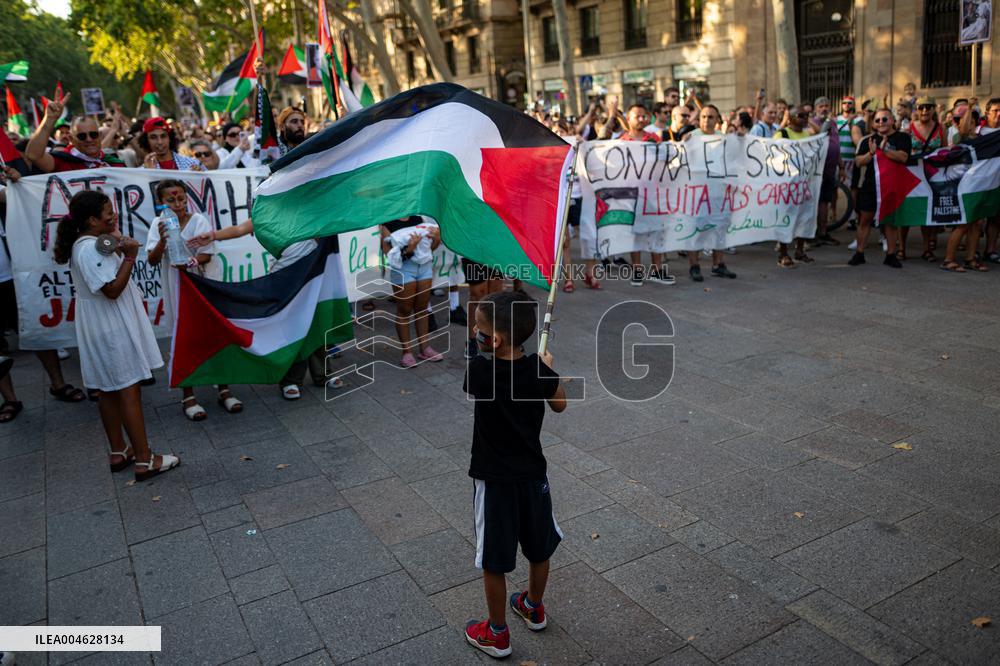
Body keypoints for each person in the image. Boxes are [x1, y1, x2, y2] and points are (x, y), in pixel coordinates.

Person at [462, 290, 566, 659]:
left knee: (494, 559)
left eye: (478, 328)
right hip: (533, 477)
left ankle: (496, 632)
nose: (474, 333)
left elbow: (481, 371)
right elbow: (561, 404)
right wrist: (547, 367)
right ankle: (533, 606)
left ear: (496, 339)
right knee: (539, 548)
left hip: (494, 482)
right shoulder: (539, 370)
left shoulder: (479, 371)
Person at [53, 190, 179, 481]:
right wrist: (132, 257)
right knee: (128, 388)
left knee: (107, 390)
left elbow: (112, 244)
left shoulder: (91, 241)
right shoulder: (88, 249)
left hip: (99, 324)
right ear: (91, 219)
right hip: (111, 326)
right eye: (108, 213)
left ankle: (119, 450)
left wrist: (116, 235)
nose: (114, 215)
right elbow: (111, 290)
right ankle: (146, 460)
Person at [22, 94, 120, 403]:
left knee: (108, 313)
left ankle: (117, 372)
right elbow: (34, 153)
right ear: (72, 139)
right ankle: (83, 382)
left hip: (106, 248)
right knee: (79, 316)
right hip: (72, 254)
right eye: (83, 136)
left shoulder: (110, 163)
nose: (91, 140)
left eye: (95, 134)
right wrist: (49, 119)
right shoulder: (65, 161)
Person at [146, 179, 243, 419]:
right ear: (161, 203)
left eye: (181, 198)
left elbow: (206, 255)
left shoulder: (198, 220)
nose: (177, 204)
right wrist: (162, 240)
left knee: (213, 334)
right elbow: (152, 259)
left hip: (201, 285)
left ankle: (223, 388)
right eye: (171, 200)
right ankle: (188, 395)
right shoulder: (158, 224)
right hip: (177, 288)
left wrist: (188, 262)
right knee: (184, 338)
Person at [848, 108, 911, 267]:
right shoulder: (867, 140)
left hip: (891, 187)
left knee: (890, 222)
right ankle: (859, 253)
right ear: (874, 124)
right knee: (864, 220)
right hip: (870, 187)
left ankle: (891, 255)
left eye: (885, 119)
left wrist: (885, 150)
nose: (881, 123)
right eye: (877, 120)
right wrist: (871, 153)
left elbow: (903, 157)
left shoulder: (902, 137)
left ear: (892, 120)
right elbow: (858, 162)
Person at [379, 216, 444, 367]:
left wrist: (436, 239)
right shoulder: (387, 223)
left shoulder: (419, 219)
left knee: (422, 309)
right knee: (404, 310)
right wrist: (410, 249)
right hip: (403, 269)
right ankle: (406, 352)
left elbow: (430, 247)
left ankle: (424, 348)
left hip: (425, 267)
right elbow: (389, 254)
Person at [620, 104, 673, 286]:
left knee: (656, 230)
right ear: (629, 119)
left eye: (644, 116)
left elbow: (665, 162)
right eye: (637, 116)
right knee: (636, 234)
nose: (642, 119)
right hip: (632, 195)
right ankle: (637, 270)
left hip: (653, 193)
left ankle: (657, 269)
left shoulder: (654, 139)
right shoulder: (622, 141)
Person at [683, 105, 736, 281]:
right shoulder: (692, 137)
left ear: (717, 120)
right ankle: (694, 266)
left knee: (719, 228)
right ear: (699, 120)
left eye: (711, 117)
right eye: (704, 117)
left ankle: (718, 264)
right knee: (696, 229)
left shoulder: (724, 139)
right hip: (697, 193)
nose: (707, 120)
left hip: (719, 192)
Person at [905, 96, 947, 261]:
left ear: (933, 110)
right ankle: (901, 248)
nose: (924, 111)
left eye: (928, 107)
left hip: (933, 174)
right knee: (908, 209)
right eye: (921, 107)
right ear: (917, 109)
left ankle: (927, 248)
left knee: (929, 210)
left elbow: (944, 151)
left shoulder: (940, 128)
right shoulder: (909, 128)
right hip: (913, 174)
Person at [774, 106, 816, 266]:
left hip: (804, 184)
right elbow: (773, 155)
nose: (805, 118)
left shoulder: (807, 134)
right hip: (787, 185)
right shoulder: (782, 134)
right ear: (790, 118)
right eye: (800, 115)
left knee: (803, 217)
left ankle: (799, 251)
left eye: (806, 115)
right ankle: (783, 254)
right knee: (786, 218)